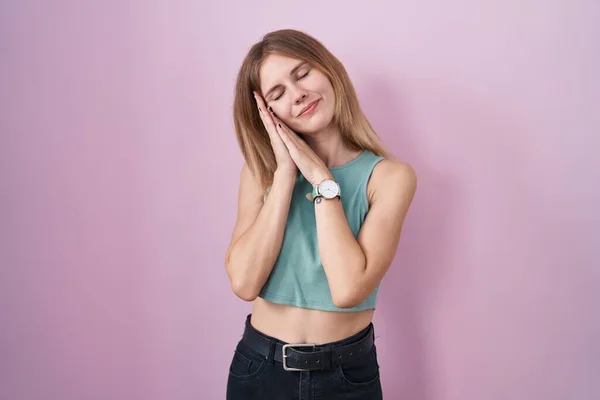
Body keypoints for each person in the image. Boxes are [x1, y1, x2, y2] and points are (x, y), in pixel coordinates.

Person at [224, 28, 417, 399]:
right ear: (267, 112)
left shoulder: (390, 178)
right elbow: (244, 283)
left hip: (346, 377)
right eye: (277, 94)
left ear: (329, 70)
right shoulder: (259, 173)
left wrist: (322, 181)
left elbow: (347, 290)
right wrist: (284, 175)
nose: (298, 95)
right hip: (259, 369)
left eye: (303, 74)